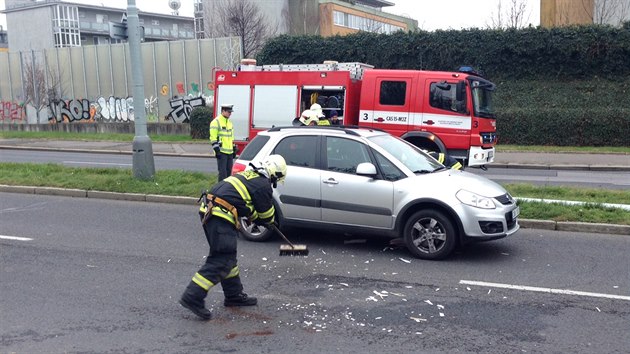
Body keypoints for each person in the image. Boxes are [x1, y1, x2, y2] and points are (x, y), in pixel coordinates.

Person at [179, 155, 288, 320]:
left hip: (210, 210)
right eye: (276, 179)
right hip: (219, 214)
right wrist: (271, 222)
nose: (274, 183)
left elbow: (246, 205)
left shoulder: (249, 175)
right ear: (274, 174)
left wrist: (253, 215)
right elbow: (266, 215)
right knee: (221, 258)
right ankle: (193, 296)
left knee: (228, 257)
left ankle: (233, 295)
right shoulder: (262, 185)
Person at [210, 104, 236, 181]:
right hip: (221, 152)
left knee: (229, 173)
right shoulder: (216, 122)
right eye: (228, 112)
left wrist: (233, 148)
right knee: (222, 173)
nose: (230, 113)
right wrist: (217, 150)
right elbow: (213, 138)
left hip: (229, 152)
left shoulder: (229, 123)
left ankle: (226, 190)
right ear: (223, 111)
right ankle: (220, 191)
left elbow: (231, 137)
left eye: (231, 112)